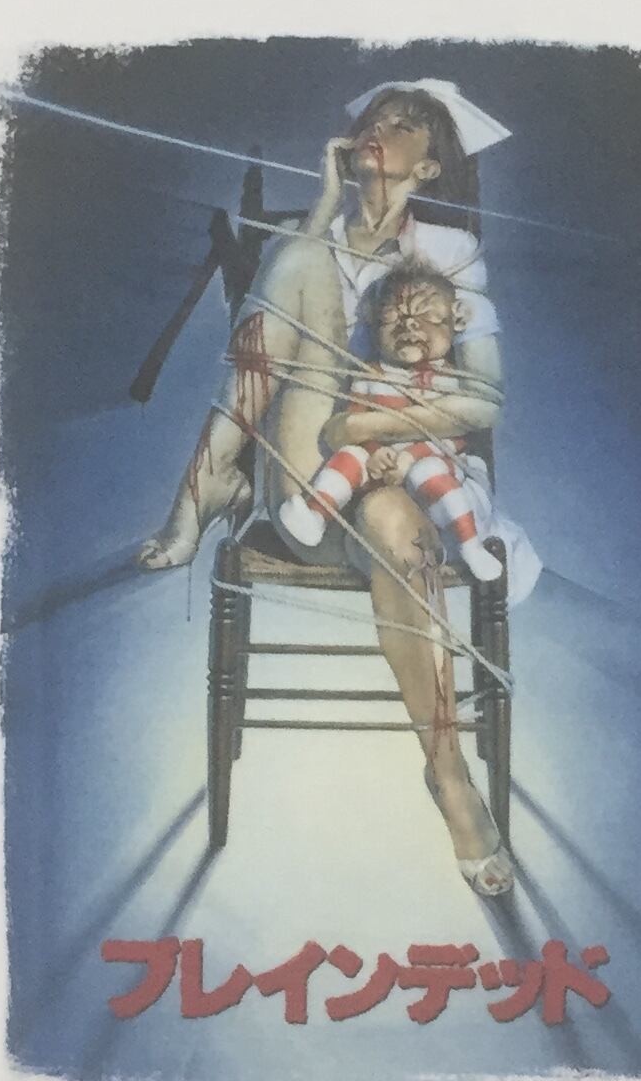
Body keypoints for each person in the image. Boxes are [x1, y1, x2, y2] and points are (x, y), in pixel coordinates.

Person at [135, 76, 531, 894]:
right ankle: (208, 483)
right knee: (299, 256)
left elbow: (484, 397)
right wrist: (322, 207)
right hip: (310, 461)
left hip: (407, 470)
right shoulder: (308, 240)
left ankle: (448, 772)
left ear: (430, 167)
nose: (384, 125)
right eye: (378, 115)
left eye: (408, 124)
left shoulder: (450, 253)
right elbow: (276, 351)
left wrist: (378, 428)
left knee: (398, 532)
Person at [279, 261, 503, 583]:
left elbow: (454, 439)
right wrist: (373, 452)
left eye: (427, 316)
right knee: (350, 456)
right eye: (392, 316)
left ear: (455, 323)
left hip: (431, 466)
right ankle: (315, 516)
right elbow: (356, 422)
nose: (409, 325)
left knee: (429, 471)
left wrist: (410, 457)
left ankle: (469, 545)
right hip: (380, 474)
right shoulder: (372, 375)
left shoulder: (450, 380)